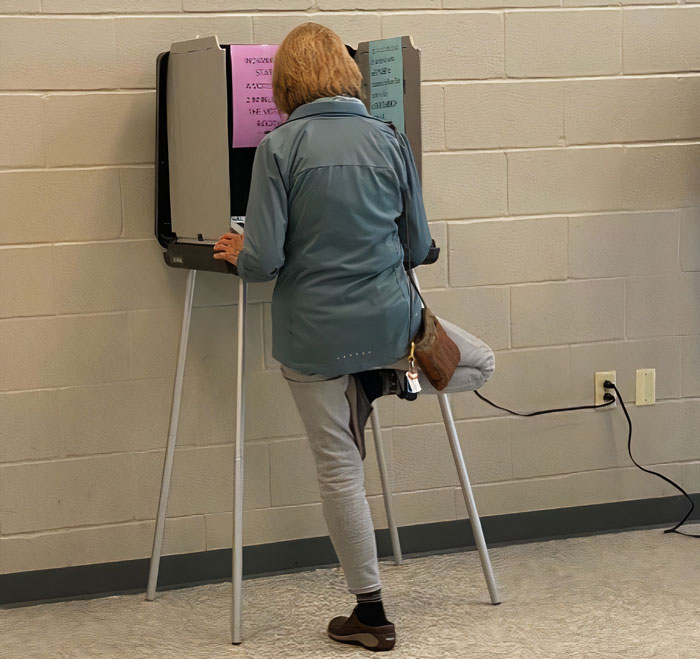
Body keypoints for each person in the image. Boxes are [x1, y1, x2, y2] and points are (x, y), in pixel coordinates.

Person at [213, 22, 495, 652]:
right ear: (348, 74)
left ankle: (370, 613)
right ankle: (394, 379)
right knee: (481, 362)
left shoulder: (278, 148)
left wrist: (237, 251)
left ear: (285, 83)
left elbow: (263, 259)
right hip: (389, 324)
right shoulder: (390, 140)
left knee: (339, 472)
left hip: (312, 340)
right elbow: (419, 246)